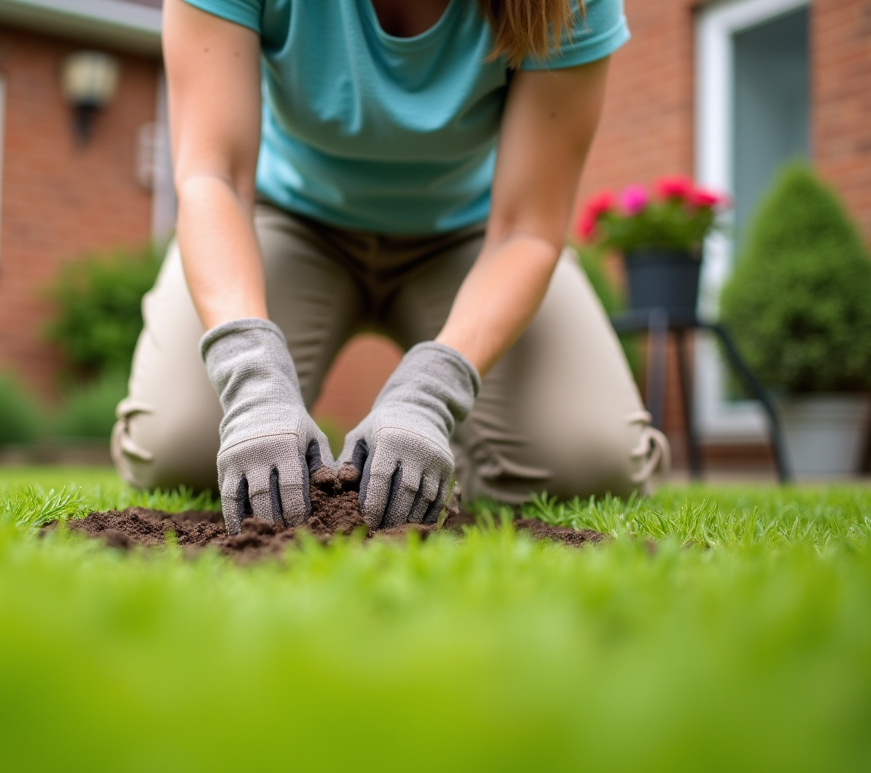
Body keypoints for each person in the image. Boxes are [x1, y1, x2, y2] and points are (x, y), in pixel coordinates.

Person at [113, 0, 669, 535]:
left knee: (592, 464)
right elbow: (212, 176)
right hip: (286, 219)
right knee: (181, 450)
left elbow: (527, 228)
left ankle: (433, 456)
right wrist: (253, 379)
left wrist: (432, 391)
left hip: (474, 238)